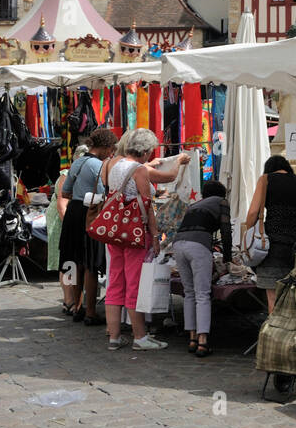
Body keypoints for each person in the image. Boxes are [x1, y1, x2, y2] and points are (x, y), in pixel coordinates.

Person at [98, 130, 189, 350]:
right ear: (146, 151)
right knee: (134, 283)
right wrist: (156, 236)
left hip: (115, 231)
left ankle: (114, 337)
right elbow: (147, 206)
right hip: (135, 233)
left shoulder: (113, 164)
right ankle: (140, 336)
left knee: (116, 281)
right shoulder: (139, 170)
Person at [243, 154, 296, 314]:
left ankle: (278, 336)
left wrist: (248, 233)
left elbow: (252, 213)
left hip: (273, 248)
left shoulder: (265, 180)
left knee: (274, 300)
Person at [59, 129, 117, 324]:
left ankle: (77, 306)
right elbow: (104, 193)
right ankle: (91, 312)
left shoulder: (76, 162)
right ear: (105, 147)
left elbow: (65, 192)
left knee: (74, 262)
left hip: (73, 212)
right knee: (90, 263)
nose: (111, 153)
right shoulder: (98, 166)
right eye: (110, 149)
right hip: (89, 213)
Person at [171, 179, 232, 357]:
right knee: (203, 294)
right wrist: (228, 257)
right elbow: (226, 231)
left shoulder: (194, 205)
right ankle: (203, 341)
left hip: (178, 244)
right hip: (198, 246)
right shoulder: (222, 202)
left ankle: (192, 338)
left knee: (189, 293)